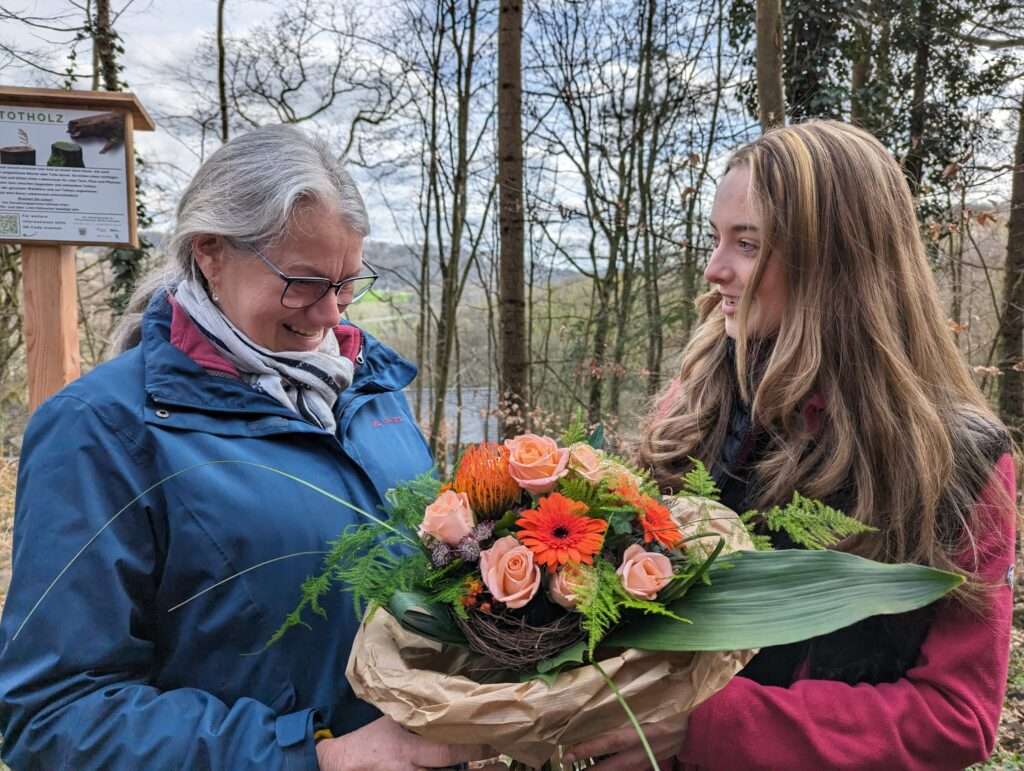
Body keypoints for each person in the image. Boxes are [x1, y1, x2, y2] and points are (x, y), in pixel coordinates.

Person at [0, 125, 501, 771]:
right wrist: (315, 757)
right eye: (301, 282)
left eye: (348, 283)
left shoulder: (369, 387)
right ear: (210, 252)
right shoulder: (103, 429)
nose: (330, 315)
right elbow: (51, 711)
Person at [565, 119, 1018, 770]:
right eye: (716, 239)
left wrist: (709, 727)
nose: (715, 269)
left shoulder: (956, 460)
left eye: (747, 244)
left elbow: (956, 714)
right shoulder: (696, 402)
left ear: (836, 261)